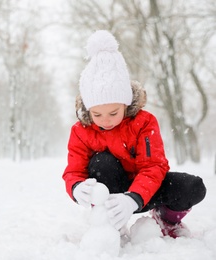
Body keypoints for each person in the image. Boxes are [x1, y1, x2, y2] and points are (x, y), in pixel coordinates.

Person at [62, 30, 207, 238]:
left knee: (192, 187)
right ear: (88, 110)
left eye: (113, 112)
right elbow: (73, 170)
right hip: (112, 195)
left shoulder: (144, 122)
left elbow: (154, 166)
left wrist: (134, 198)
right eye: (97, 114)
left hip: (147, 190)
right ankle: (109, 223)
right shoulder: (80, 131)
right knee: (101, 162)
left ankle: (166, 220)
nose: (106, 120)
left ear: (126, 103)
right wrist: (76, 187)